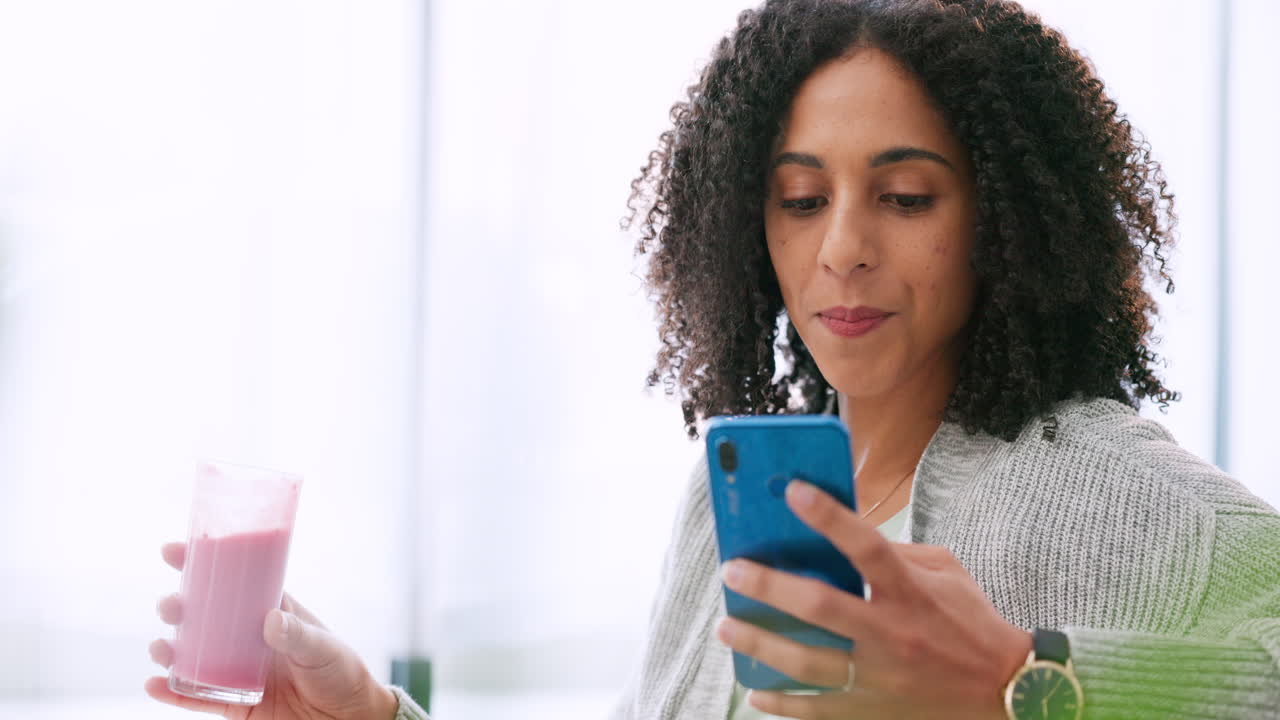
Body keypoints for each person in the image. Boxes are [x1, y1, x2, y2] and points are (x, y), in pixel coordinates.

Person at [147, 1, 1280, 718]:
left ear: (1004, 219)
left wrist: (1019, 680)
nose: (841, 248)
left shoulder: (1119, 493)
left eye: (903, 196)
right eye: (800, 199)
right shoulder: (728, 500)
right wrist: (370, 714)